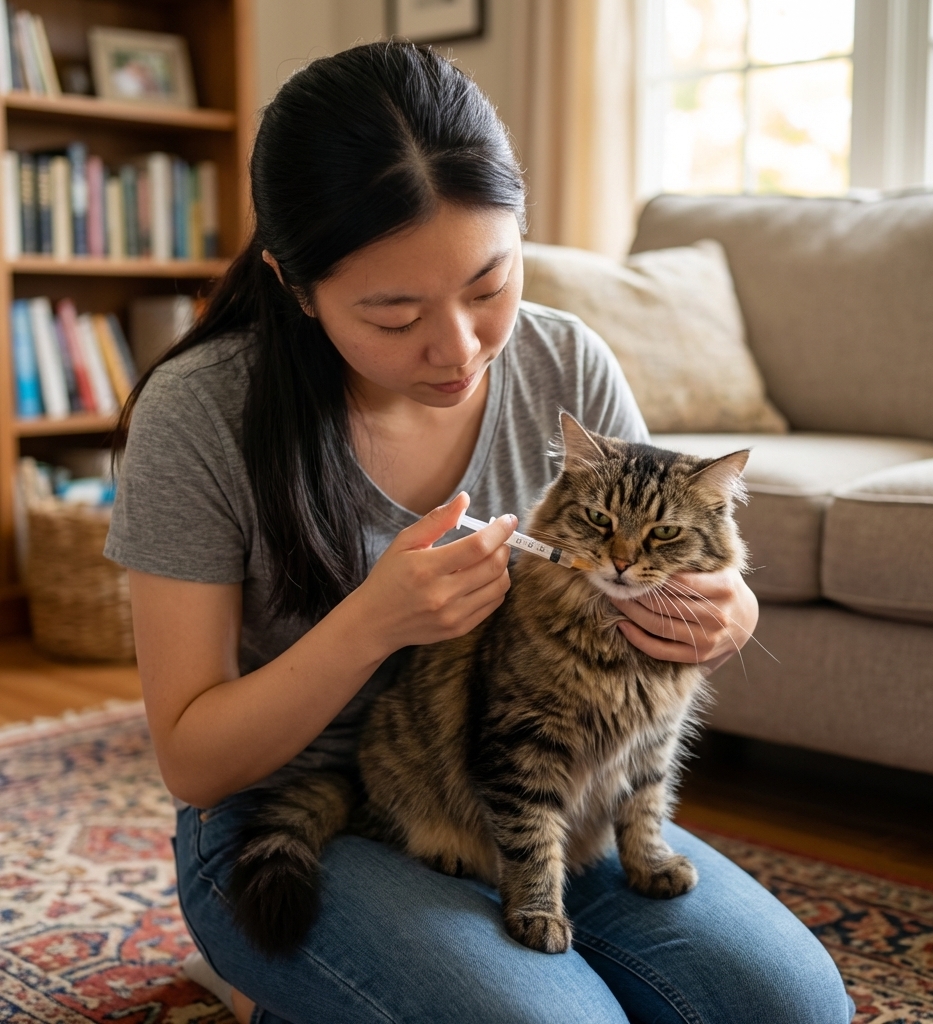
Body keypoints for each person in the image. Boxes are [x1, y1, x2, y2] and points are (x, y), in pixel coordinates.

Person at [107, 42, 853, 1024]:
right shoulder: (200, 413)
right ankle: (284, 977)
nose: (457, 348)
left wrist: (727, 613)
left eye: (488, 285)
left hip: (550, 805)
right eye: (394, 312)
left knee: (792, 1007)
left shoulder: (563, 362)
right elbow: (194, 762)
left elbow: (683, 529)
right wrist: (371, 621)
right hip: (286, 820)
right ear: (295, 282)